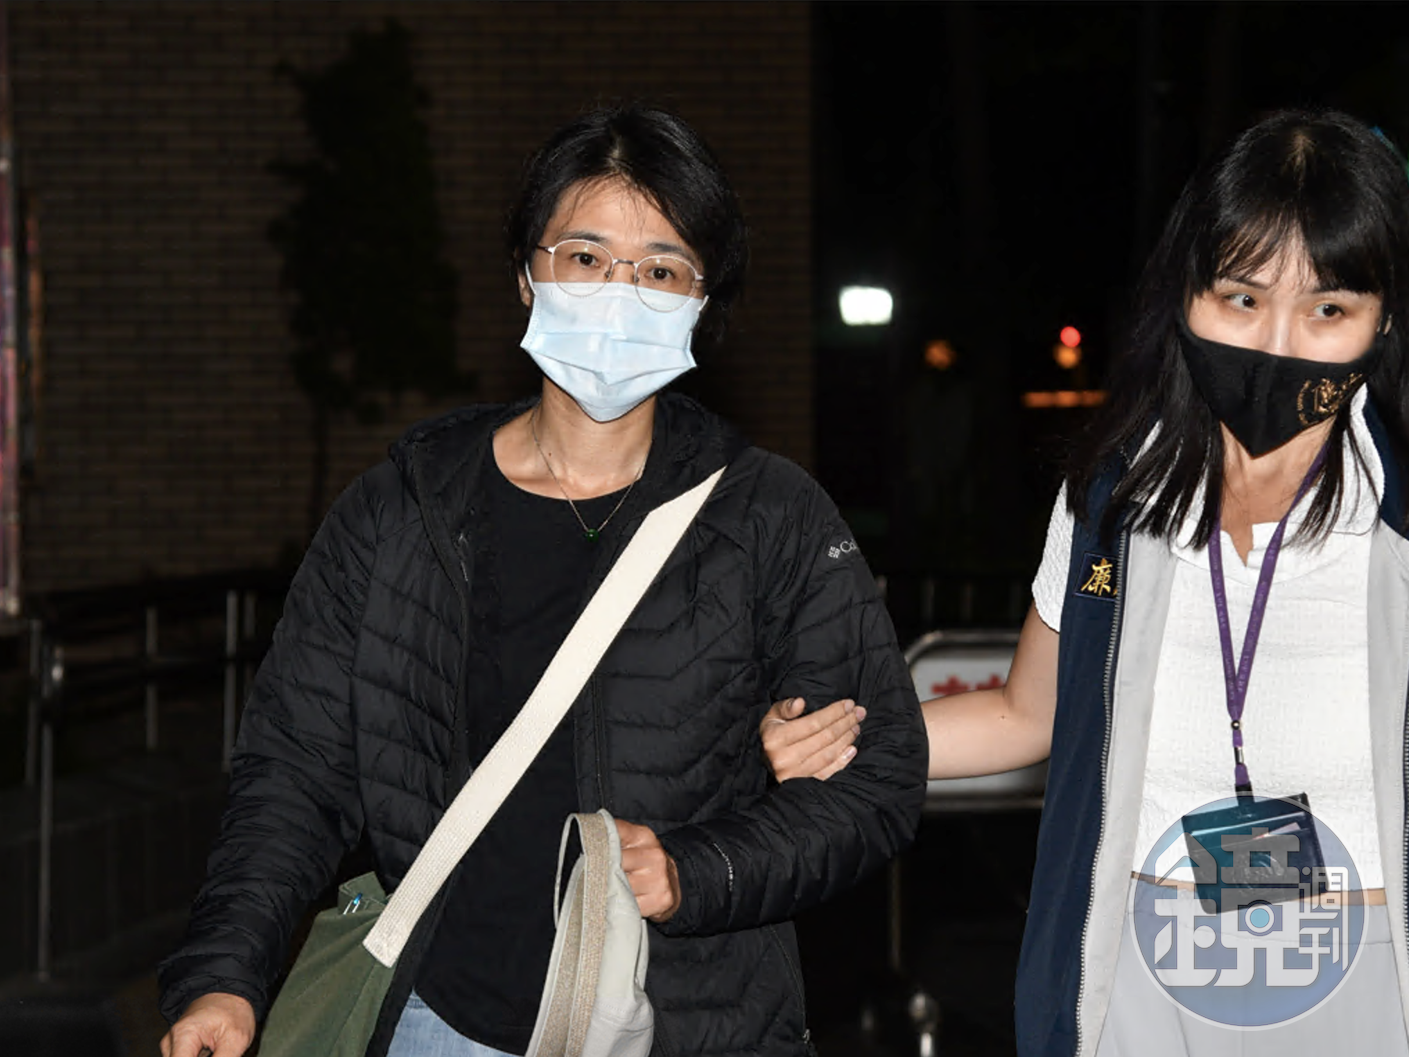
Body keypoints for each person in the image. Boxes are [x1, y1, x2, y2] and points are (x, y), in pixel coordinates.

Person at [157, 103, 927, 1057]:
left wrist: (701, 870)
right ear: (527, 274)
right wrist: (226, 971)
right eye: (586, 256)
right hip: (443, 1020)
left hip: (691, 1025)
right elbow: (297, 766)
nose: (620, 293)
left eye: (661, 269)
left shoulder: (770, 517)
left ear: (701, 300)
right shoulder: (405, 508)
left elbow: (880, 776)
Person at [764, 109, 1409, 1056]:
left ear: (1383, 319)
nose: (1277, 342)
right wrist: (841, 737)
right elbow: (1026, 714)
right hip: (1139, 965)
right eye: (1241, 297)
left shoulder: (1394, 523)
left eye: (1328, 310)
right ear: (1186, 292)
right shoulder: (1116, 498)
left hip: (1365, 972)